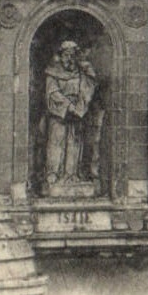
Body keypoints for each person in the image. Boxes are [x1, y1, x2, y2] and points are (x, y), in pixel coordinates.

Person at [43, 38, 98, 192]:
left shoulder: (80, 73)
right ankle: (53, 175)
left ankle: (72, 174)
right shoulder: (52, 72)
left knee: (74, 143)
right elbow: (52, 92)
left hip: (77, 112)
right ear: (60, 55)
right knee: (56, 143)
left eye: (73, 54)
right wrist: (68, 107)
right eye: (66, 54)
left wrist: (80, 107)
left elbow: (87, 89)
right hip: (59, 113)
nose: (70, 58)